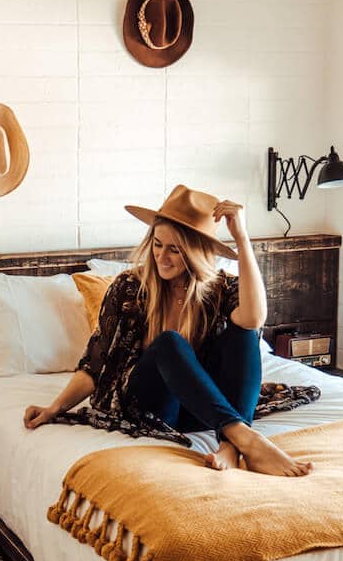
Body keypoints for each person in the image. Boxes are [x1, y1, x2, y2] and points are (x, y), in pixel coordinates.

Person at [23, 186, 315, 477]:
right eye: (158, 244)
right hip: (151, 406)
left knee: (243, 332)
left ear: (195, 253)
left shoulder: (220, 289)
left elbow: (254, 317)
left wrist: (242, 238)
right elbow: (95, 364)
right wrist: (54, 408)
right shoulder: (129, 288)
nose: (162, 256)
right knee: (168, 343)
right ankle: (246, 437)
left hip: (201, 410)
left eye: (174, 249)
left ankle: (231, 444)